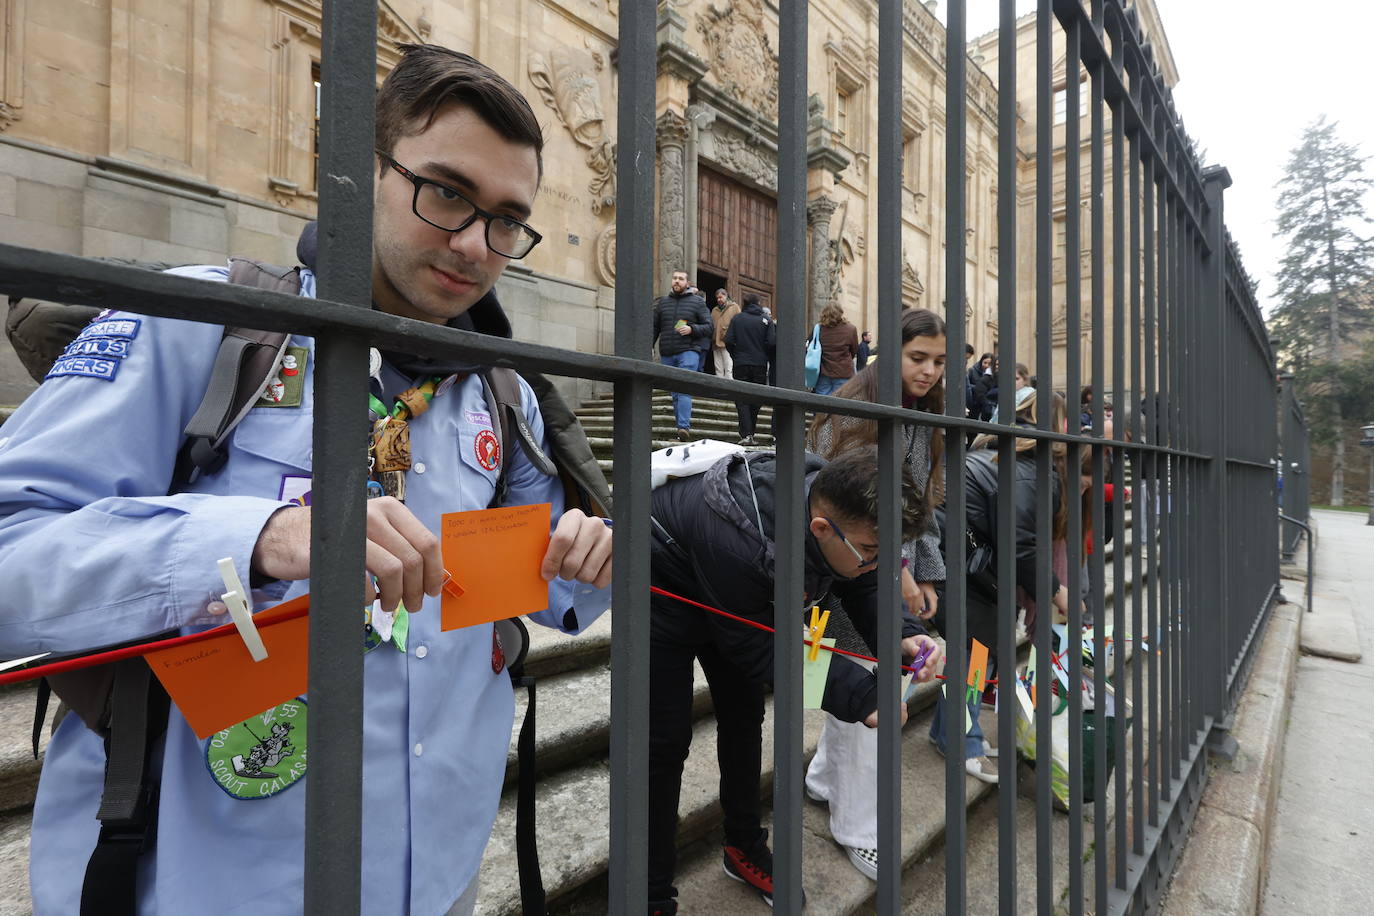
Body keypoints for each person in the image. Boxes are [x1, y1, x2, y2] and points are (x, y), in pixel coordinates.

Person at [0, 45, 614, 915]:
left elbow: (539, 589)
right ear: (358, 171)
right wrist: (254, 541)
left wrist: (587, 558)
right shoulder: (205, 323)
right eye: (445, 193)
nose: (477, 244)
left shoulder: (498, 393)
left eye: (508, 220)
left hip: (434, 875)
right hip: (198, 882)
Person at [647, 447, 942, 914]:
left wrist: (904, 634)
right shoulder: (739, 536)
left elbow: (863, 582)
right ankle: (650, 891)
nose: (879, 562)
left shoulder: (837, 514)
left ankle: (743, 845)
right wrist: (862, 694)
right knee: (661, 744)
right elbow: (756, 647)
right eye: (870, 551)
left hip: (744, 598)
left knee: (743, 722)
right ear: (821, 529)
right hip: (664, 595)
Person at [803, 308, 948, 880]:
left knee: (863, 682)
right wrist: (899, 570)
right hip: (831, 574)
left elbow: (924, 505)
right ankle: (859, 828)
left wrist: (924, 573)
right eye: (917, 358)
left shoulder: (926, 419)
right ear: (888, 352)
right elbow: (837, 505)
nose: (929, 371)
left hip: (881, 572)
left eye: (938, 361)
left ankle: (821, 779)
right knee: (859, 686)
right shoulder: (844, 408)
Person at [931, 389, 1076, 783]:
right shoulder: (1029, 468)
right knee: (976, 657)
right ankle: (963, 741)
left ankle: (951, 731)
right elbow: (1021, 544)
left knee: (977, 653)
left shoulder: (1007, 455)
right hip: (963, 566)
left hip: (962, 561)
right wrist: (1054, 590)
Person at [651, 269, 712, 440]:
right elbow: (655, 327)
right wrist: (650, 346)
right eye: (675, 278)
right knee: (675, 393)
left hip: (689, 351)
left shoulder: (698, 303)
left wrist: (692, 329)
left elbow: (709, 327)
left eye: (681, 279)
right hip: (668, 353)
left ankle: (683, 427)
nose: (677, 281)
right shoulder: (663, 303)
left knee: (683, 388)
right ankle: (681, 431)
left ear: (687, 283)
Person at [724, 292, 775, 445]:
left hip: (740, 363)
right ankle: (751, 432)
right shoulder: (766, 320)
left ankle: (746, 434)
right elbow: (772, 343)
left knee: (741, 399)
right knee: (756, 399)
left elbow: (728, 340)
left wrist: (735, 356)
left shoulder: (737, 319)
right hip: (759, 365)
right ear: (758, 303)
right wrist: (763, 356)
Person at [814, 302, 859, 396]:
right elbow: (854, 351)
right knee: (840, 405)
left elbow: (811, 346)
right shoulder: (851, 329)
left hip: (823, 372)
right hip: (844, 372)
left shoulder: (819, 328)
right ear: (840, 312)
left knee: (821, 405)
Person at [711, 290, 741, 380]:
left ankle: (729, 389)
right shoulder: (714, 310)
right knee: (718, 367)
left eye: (720, 297)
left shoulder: (734, 307)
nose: (719, 300)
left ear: (726, 296)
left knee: (728, 367)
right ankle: (719, 388)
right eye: (717, 298)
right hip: (715, 342)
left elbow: (739, 323)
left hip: (727, 341)